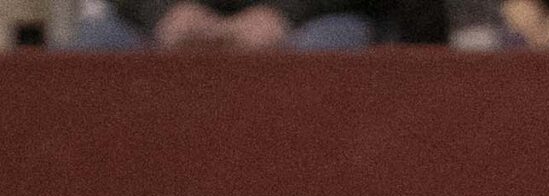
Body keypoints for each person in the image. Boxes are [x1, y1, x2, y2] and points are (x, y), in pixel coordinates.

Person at [68, 0, 374, 44]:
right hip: (171, 19)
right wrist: (162, 15)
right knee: (96, 45)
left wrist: (283, 14)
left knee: (330, 45)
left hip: (307, 18)